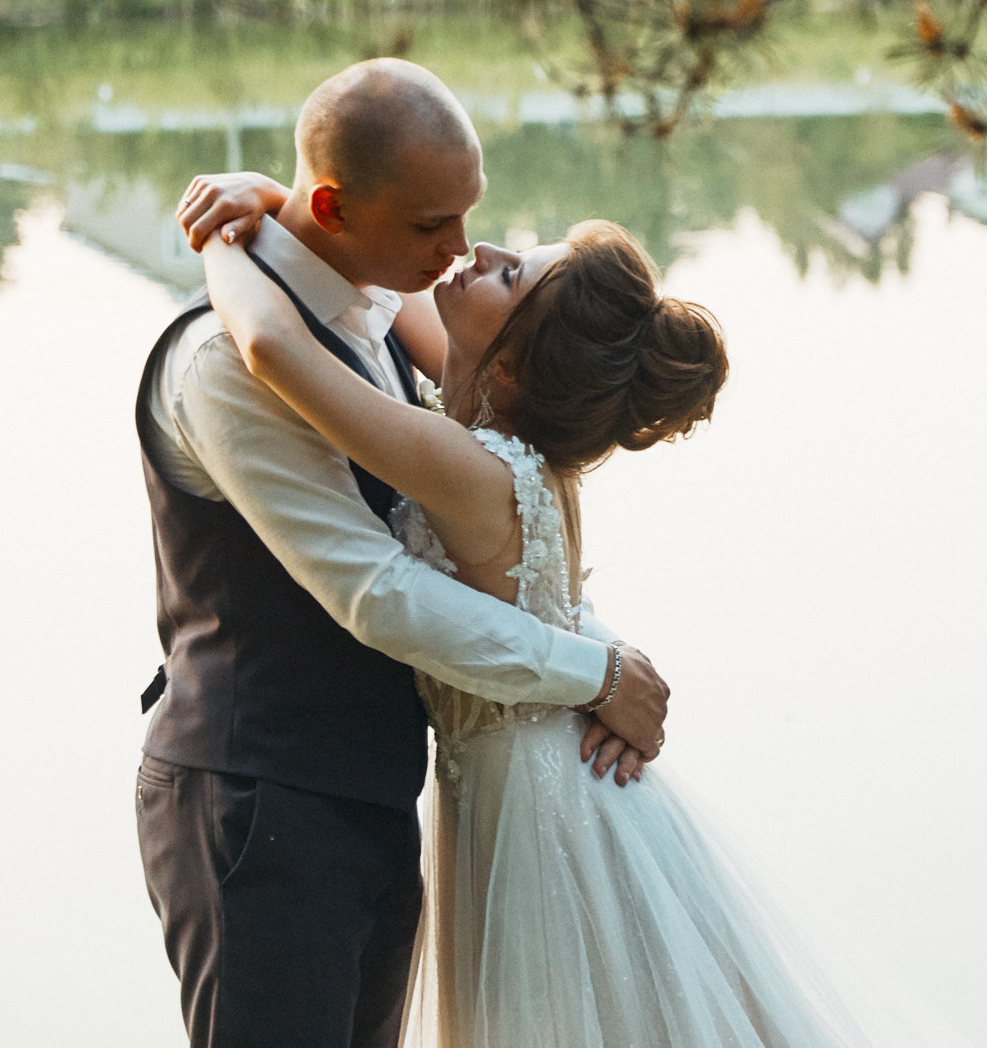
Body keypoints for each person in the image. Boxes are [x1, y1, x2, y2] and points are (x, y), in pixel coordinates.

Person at [184, 177, 935, 1048]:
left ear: (510, 363)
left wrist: (218, 242)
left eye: (511, 276)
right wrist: (287, 204)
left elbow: (272, 346)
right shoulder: (505, 431)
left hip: (535, 808)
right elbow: (390, 303)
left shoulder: (464, 464)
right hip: (550, 770)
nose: (485, 253)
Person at [136, 59, 671, 1048]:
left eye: (468, 217)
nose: (461, 249)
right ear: (337, 205)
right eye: (433, 224)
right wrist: (592, 669)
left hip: (385, 793)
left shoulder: (378, 312)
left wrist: (259, 199)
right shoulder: (226, 360)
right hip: (260, 801)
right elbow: (375, 590)